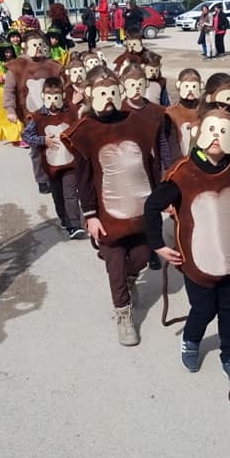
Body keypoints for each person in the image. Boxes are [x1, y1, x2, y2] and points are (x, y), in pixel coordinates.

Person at [145, 101, 230, 384]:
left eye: (224, 130)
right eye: (211, 129)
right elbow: (151, 206)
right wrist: (157, 244)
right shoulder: (183, 173)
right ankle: (191, 340)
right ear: (198, 133)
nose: (217, 136)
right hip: (196, 261)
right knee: (204, 309)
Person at [62, 69, 159, 346]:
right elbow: (82, 178)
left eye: (112, 92)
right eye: (101, 93)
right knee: (115, 263)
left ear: (121, 93)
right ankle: (123, 313)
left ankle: (130, 279)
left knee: (141, 256)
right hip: (106, 213)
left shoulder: (135, 122)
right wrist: (90, 215)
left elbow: (150, 164)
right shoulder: (85, 131)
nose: (108, 98)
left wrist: (159, 199)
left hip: (139, 209)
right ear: (91, 95)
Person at [22, 78, 85, 239]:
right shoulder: (37, 117)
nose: (52, 102)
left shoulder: (69, 111)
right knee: (58, 195)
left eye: (56, 97)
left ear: (62, 96)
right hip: (50, 166)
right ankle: (64, 218)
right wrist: (44, 140)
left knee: (71, 194)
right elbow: (26, 136)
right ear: (43, 97)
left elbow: (81, 127)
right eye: (49, 98)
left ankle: (75, 225)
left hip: (70, 163)